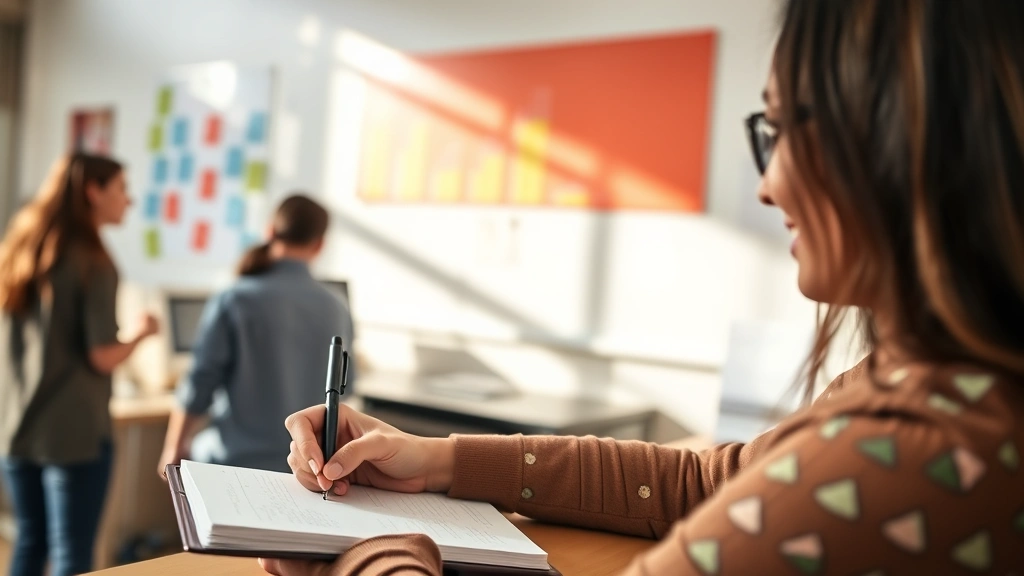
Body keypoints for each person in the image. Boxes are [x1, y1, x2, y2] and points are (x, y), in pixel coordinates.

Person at [268, 0, 1024, 574]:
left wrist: (370, 554)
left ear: (913, 140)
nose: (768, 185)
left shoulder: (911, 445)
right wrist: (436, 461)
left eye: (788, 126)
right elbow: (703, 480)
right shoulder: (943, 386)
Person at [0, 153, 160, 576]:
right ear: (94, 191)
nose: (130, 200)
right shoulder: (94, 262)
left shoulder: (21, 252)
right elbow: (102, 356)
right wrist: (142, 334)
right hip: (73, 434)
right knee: (72, 554)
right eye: (122, 189)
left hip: (16, 425)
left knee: (29, 541)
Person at [159, 194, 355, 476]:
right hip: (305, 471)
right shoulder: (337, 307)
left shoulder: (235, 298)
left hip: (233, 465)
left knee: (198, 451)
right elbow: (346, 389)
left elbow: (199, 384)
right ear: (319, 244)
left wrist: (173, 447)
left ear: (270, 232)